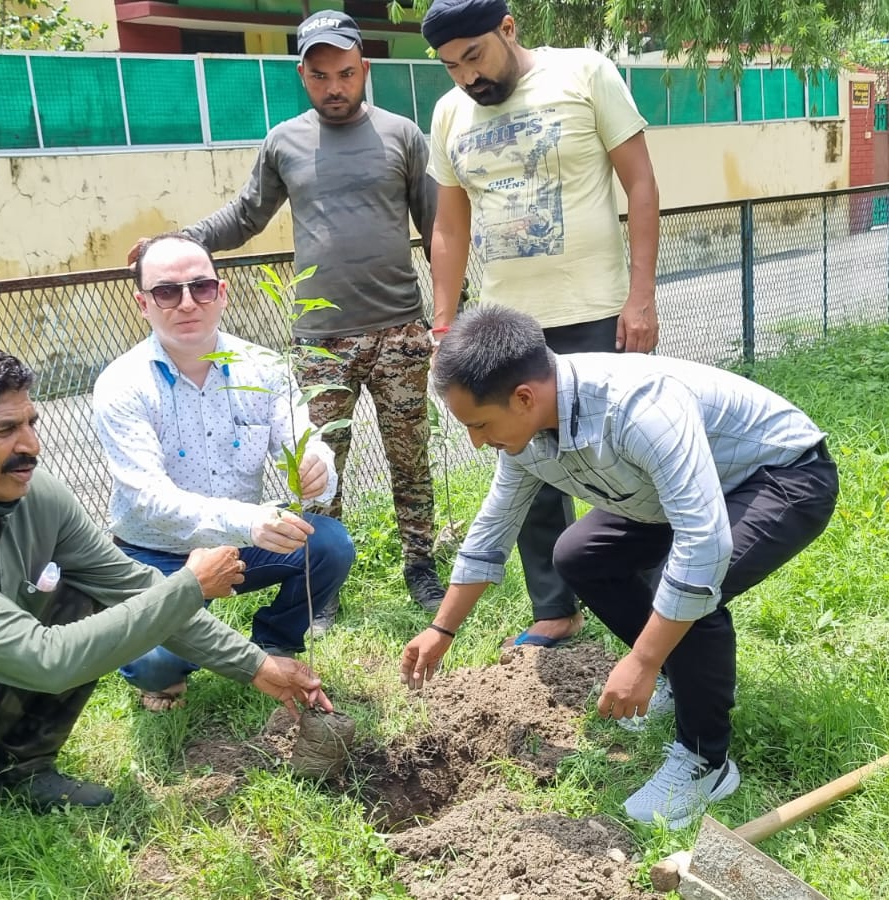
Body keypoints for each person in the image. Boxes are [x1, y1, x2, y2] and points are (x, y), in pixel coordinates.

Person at [0, 345, 331, 898]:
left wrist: (258, 665)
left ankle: (16, 774)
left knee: (80, 595)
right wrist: (189, 585)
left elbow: (131, 587)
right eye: (4, 430)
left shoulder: (32, 497)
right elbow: (46, 661)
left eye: (30, 422)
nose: (30, 447)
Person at [399, 305, 838, 828]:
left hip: (778, 476)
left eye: (479, 424)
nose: (476, 440)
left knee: (686, 594)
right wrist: (441, 628)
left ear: (523, 398)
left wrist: (643, 660)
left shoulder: (637, 408)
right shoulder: (526, 433)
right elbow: (492, 530)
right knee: (579, 555)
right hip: (669, 492)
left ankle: (706, 759)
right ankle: (683, 675)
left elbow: (703, 549)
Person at [180, 10, 446, 614]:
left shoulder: (402, 135)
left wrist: (451, 319)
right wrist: (182, 242)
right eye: (322, 75)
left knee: (411, 459)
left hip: (400, 330)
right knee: (318, 468)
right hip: (322, 340)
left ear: (364, 69)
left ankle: (421, 567)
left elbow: (437, 231)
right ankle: (320, 582)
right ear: (303, 75)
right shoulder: (284, 142)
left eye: (347, 73)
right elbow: (246, 215)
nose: (335, 87)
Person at [419, 0, 662, 648]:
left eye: (474, 56)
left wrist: (641, 296)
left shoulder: (584, 74)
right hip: (505, 325)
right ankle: (555, 611)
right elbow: (448, 223)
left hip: (597, 310)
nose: (466, 76)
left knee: (626, 464)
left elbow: (639, 182)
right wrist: (445, 323)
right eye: (450, 66)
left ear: (507, 29)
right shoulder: (449, 115)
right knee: (523, 463)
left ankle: (648, 610)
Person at [93, 234, 357, 712]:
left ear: (223, 292)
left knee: (329, 544)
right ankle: (172, 662)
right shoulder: (123, 385)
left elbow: (303, 437)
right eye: (167, 292)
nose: (187, 302)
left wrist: (318, 465)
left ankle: (275, 644)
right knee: (154, 665)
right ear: (143, 304)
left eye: (201, 287)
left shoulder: (264, 367)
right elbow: (149, 498)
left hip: (245, 544)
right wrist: (249, 521)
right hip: (160, 554)